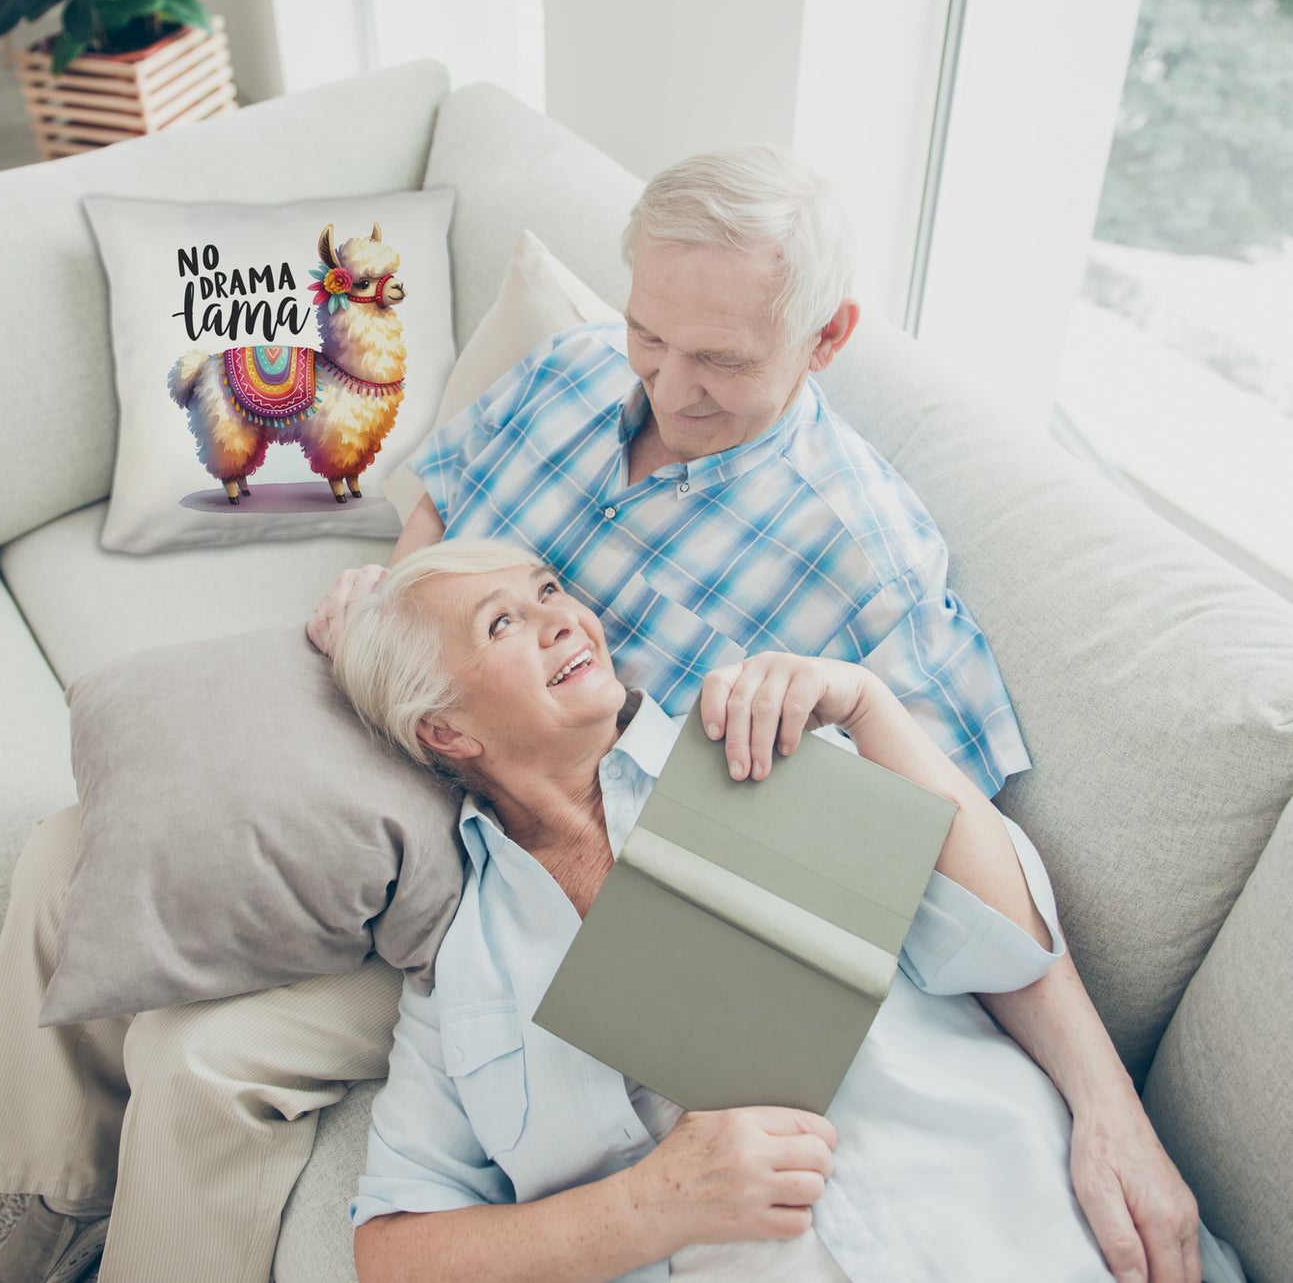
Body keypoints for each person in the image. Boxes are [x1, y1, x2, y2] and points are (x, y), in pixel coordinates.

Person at [0, 147, 1197, 1283]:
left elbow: (950, 857)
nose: (667, 382)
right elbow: (442, 505)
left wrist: (1107, 1104)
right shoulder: (574, 370)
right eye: (652, 333)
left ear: (824, 339)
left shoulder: (865, 563)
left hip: (541, 849)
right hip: (427, 723)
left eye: (719, 358)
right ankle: (42, 1200)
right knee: (77, 845)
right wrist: (393, 603)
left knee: (203, 1057)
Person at [334, 539, 1234, 1283]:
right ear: (445, 731)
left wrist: (869, 707)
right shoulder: (462, 970)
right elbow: (393, 1252)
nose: (562, 617)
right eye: (503, 622)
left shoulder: (757, 745)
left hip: (1022, 1232)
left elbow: (1006, 944)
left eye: (548, 589)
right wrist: (651, 1204)